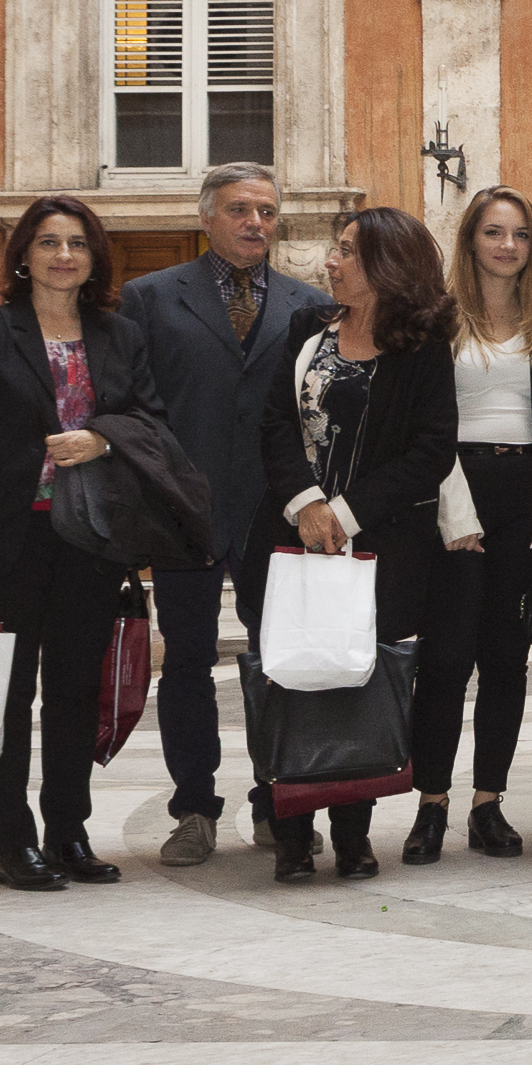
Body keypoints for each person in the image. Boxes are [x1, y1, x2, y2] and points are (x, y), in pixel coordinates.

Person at [0, 194, 157, 891]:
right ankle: (11, 844)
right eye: (50, 242)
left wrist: (103, 438)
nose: (64, 255)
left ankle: (67, 834)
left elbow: (150, 423)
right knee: (5, 694)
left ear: (95, 259)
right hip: (8, 541)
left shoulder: (121, 338)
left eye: (78, 244)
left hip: (90, 539)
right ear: (23, 255)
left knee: (76, 693)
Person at [119, 162, 324, 866]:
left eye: (266, 211)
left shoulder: (310, 304)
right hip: (184, 511)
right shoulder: (148, 297)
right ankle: (194, 808)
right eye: (239, 209)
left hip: (277, 513)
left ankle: (278, 803)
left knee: (281, 662)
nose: (254, 223)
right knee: (186, 665)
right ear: (206, 217)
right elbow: (134, 404)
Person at [256, 207, 461, 883]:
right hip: (292, 538)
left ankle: (353, 832)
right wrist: (305, 504)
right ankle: (291, 833)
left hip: (383, 548)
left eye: (345, 251)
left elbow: (430, 450)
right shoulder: (305, 330)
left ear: (384, 264)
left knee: (361, 681)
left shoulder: (423, 346)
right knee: (288, 678)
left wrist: (343, 513)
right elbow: (275, 426)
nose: (330, 262)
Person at [409, 187, 532, 863]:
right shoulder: (437, 322)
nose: (507, 246)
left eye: (521, 235)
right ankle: (431, 805)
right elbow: (427, 425)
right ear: (470, 239)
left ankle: (487, 804)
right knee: (444, 660)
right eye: (494, 232)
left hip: (523, 499)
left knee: (505, 659)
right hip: (454, 492)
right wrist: (455, 511)